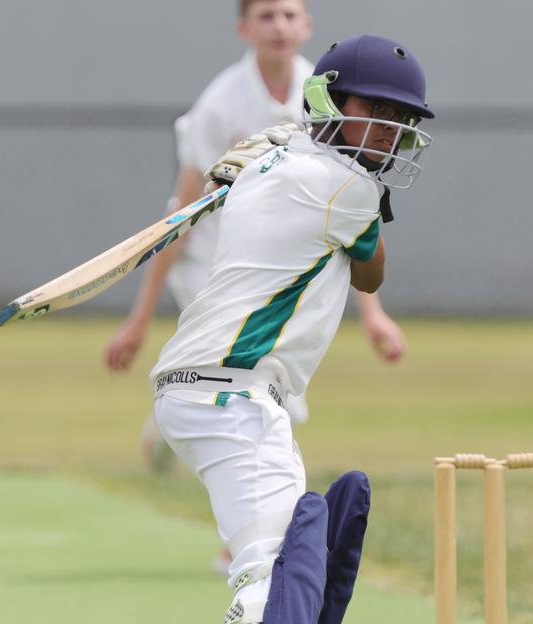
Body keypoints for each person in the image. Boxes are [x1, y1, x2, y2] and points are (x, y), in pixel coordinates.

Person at [150, 34, 434, 624]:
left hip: (220, 392)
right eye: (373, 112)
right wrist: (306, 156)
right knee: (271, 563)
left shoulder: (277, 166)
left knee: (272, 553)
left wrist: (278, 151)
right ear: (327, 104)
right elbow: (373, 270)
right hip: (229, 393)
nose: (386, 132)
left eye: (399, 121)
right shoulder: (336, 185)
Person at [104, 0, 407, 471]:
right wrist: (138, 320)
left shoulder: (332, 92)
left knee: (255, 391)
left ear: (306, 26)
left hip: (287, 261)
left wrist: (374, 316)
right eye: (267, 16)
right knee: (257, 391)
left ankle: (173, 436)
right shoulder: (221, 103)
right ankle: (241, 526)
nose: (279, 27)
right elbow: (184, 211)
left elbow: (345, 221)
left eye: (289, 15)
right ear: (244, 28)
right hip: (214, 263)